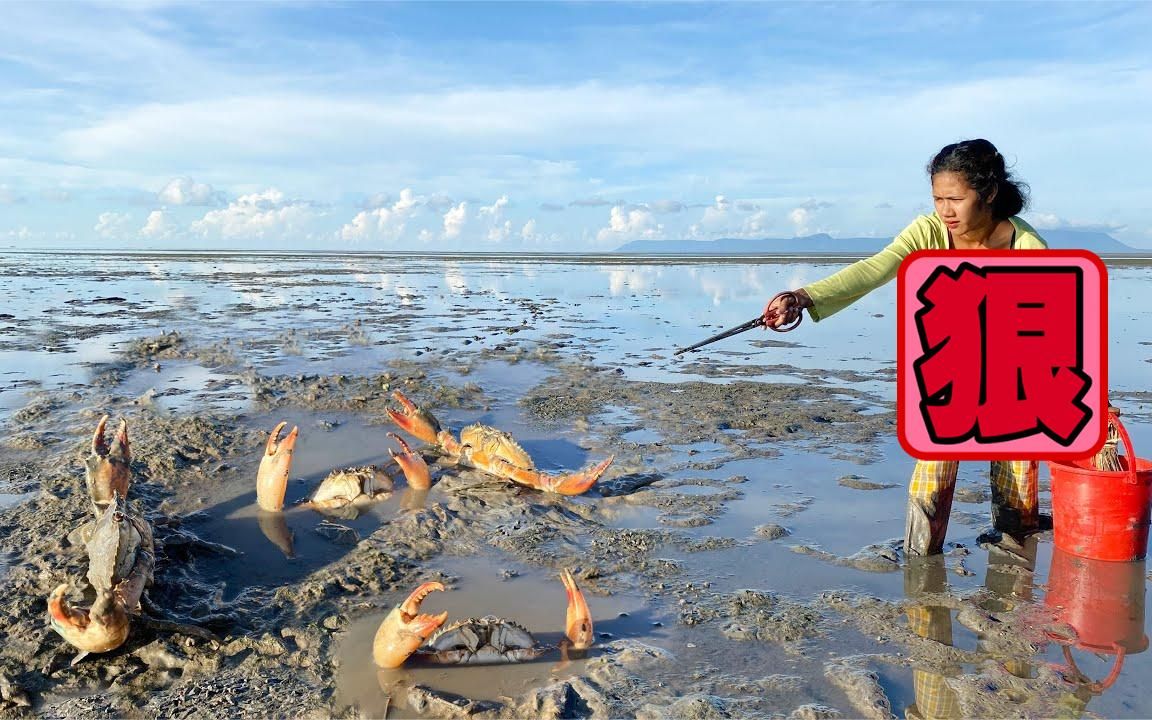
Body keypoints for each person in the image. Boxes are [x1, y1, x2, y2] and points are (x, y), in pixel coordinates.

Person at [762, 138, 1048, 556]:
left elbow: (1047, 330)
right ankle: (922, 571)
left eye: (956, 199)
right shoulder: (930, 231)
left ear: (987, 193)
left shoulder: (1029, 247)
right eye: (938, 199)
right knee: (931, 477)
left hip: (1012, 376)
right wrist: (802, 297)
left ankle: (1016, 575)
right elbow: (876, 268)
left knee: (1018, 486)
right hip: (950, 371)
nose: (945, 210)